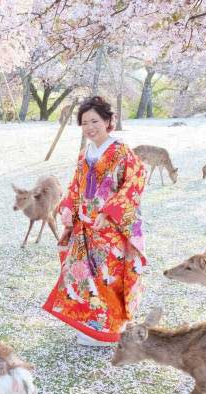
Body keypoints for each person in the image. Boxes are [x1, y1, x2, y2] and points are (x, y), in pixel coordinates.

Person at [42, 96, 147, 346]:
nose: (90, 127)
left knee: (108, 277)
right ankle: (90, 325)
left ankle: (109, 330)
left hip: (112, 229)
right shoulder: (85, 153)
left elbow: (135, 182)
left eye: (95, 121)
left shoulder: (121, 150)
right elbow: (76, 185)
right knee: (84, 276)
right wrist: (67, 206)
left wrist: (109, 212)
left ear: (109, 121)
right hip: (86, 228)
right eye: (85, 122)